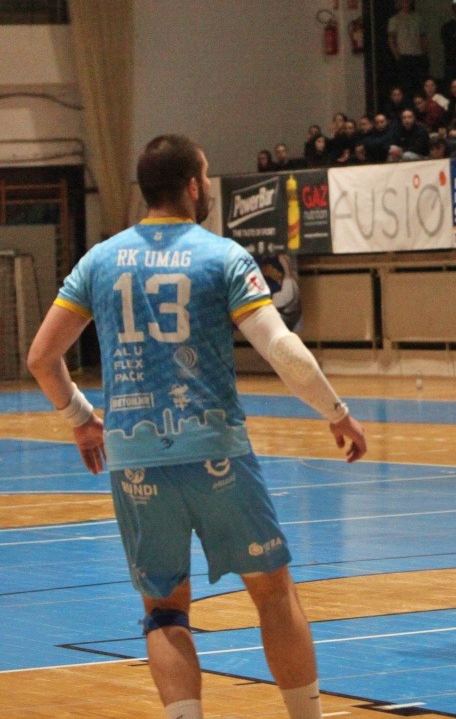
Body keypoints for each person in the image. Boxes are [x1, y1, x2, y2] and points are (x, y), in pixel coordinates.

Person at [25, 134, 368, 719]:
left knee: (164, 612)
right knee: (274, 596)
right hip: (218, 454)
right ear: (191, 185)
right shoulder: (222, 256)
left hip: (135, 461)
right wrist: (336, 412)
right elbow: (280, 349)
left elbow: (41, 358)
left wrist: (81, 419)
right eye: (205, 176)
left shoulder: (99, 261)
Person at [387, 0, 430, 97]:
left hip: (417, 56)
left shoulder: (418, 18)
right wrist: (397, 56)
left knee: (419, 86)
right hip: (404, 57)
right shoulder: (394, 20)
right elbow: (391, 39)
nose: (406, 1)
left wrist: (424, 53)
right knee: (406, 87)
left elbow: (423, 37)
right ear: (400, 1)